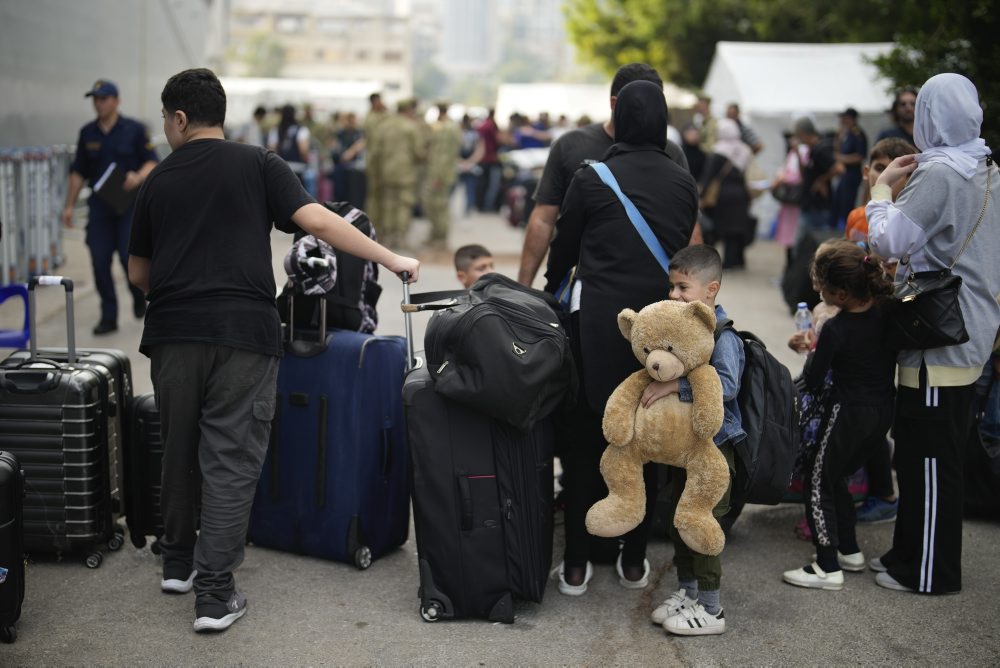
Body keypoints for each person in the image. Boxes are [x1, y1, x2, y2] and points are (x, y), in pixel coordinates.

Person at [126, 68, 419, 633]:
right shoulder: (259, 163)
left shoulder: (157, 180)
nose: (165, 128)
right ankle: (214, 595)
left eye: (165, 118)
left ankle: (179, 563)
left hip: (172, 334)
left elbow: (140, 271)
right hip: (243, 334)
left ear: (179, 118)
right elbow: (319, 223)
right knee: (232, 460)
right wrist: (390, 258)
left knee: (179, 444)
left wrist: (182, 289)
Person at [543, 79, 699, 596]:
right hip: (658, 336)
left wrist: (550, 288)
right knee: (647, 439)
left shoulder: (591, 176)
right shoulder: (682, 182)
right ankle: (633, 560)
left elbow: (563, 246)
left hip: (600, 328)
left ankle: (577, 562)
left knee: (590, 435)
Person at [867, 73, 1000, 595]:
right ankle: (908, 553)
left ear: (928, 115)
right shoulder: (986, 167)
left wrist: (881, 190)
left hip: (937, 337)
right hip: (971, 329)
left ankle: (928, 572)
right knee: (929, 452)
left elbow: (887, 241)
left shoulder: (942, 173)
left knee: (927, 459)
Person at [782, 240, 896, 591]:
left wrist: (810, 346)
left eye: (823, 287)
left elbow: (815, 379)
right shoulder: (884, 311)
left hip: (846, 413)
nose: (819, 292)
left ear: (842, 293)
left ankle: (826, 565)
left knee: (817, 481)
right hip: (881, 411)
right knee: (837, 477)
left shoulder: (836, 328)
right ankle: (849, 548)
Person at [641, 244, 743, 636]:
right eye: (671, 287)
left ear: (710, 289)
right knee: (677, 521)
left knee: (702, 525)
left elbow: (728, 387)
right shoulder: (681, 328)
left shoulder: (723, 334)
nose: (674, 295)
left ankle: (712, 610)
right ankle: (689, 594)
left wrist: (676, 385)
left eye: (683, 287)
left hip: (716, 450)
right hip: (686, 450)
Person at [517, 62, 689, 288]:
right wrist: (522, 288)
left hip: (653, 286)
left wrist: (693, 294)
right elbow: (543, 219)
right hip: (588, 286)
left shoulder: (671, 153)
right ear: (614, 104)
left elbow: (690, 224)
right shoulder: (571, 146)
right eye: (639, 105)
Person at [839, 137, 919, 526]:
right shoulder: (858, 218)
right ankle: (869, 486)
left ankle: (885, 492)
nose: (882, 173)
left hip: (893, 319)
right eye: (876, 166)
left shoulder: (912, 216)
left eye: (892, 166)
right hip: (861, 318)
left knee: (877, 408)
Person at [61, 78, 158, 335]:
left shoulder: (135, 130)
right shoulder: (87, 133)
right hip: (101, 208)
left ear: (116, 101)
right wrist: (69, 205)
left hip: (129, 207)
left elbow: (152, 162)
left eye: (103, 98)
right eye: (95, 99)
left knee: (129, 258)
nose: (99, 103)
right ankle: (109, 314)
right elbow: (78, 172)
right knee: (99, 259)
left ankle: (138, 296)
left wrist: (137, 176)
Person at [370, 99, 427, 247]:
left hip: (386, 172)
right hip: (406, 173)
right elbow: (419, 152)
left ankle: (387, 236)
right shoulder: (411, 127)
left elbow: (375, 151)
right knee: (404, 205)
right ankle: (400, 237)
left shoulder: (383, 126)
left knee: (388, 204)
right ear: (408, 109)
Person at [700, 118, 754, 269]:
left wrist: (702, 195)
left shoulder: (719, 150)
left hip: (723, 195)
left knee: (722, 227)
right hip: (741, 193)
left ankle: (723, 261)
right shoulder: (745, 149)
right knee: (737, 227)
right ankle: (737, 259)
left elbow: (709, 176)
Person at [844, 137, 918, 244]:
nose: (885, 176)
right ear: (866, 173)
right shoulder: (855, 217)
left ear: (909, 179)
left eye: (895, 172)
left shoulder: (910, 224)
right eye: (879, 168)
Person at [425, 103, 462, 246]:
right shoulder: (448, 126)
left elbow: (444, 155)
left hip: (440, 174)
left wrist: (438, 177)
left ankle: (440, 238)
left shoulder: (447, 128)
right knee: (436, 205)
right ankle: (436, 236)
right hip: (440, 172)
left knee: (440, 206)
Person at [795, 117, 838, 239]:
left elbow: (839, 168)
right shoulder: (813, 150)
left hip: (817, 206)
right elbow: (805, 174)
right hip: (811, 204)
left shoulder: (821, 149)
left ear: (803, 133)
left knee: (806, 242)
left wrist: (821, 180)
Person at [832, 108, 868, 228]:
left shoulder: (857, 133)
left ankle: (848, 229)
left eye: (844, 118)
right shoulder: (846, 133)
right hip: (844, 174)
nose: (842, 120)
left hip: (852, 175)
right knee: (838, 202)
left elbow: (860, 156)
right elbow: (837, 149)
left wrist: (842, 158)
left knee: (847, 203)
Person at [362, 92, 389, 227]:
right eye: (379, 101)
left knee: (382, 194)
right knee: (374, 194)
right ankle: (373, 223)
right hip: (374, 160)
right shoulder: (371, 118)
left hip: (382, 160)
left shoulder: (379, 116)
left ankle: (382, 224)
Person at [267, 104, 311, 184]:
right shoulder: (301, 129)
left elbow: (271, 151)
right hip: (298, 168)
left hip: (281, 169)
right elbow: (303, 150)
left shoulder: (275, 130)